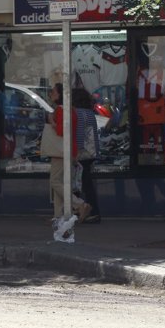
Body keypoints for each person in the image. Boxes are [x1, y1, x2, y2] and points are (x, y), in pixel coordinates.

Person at [47, 83, 91, 223]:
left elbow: (60, 131)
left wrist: (51, 121)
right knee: (60, 182)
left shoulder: (60, 111)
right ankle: (59, 216)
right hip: (70, 149)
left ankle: (79, 204)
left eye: (53, 92)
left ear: (60, 95)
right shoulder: (71, 110)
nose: (51, 94)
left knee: (55, 181)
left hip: (60, 150)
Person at [72, 87, 101, 224]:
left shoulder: (77, 113)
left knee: (78, 182)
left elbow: (79, 134)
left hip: (82, 153)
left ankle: (84, 210)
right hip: (91, 152)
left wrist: (75, 152)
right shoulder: (90, 113)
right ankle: (89, 211)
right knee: (85, 182)